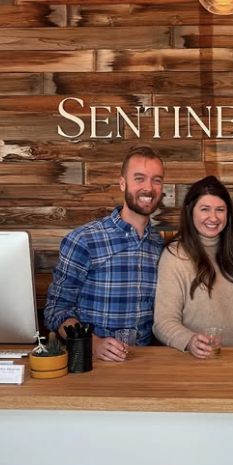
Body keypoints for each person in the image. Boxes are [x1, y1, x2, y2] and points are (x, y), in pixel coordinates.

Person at [44, 146, 165, 362]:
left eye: (156, 180)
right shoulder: (84, 239)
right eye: (139, 178)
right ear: (122, 183)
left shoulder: (159, 245)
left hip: (144, 363)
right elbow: (56, 309)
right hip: (93, 363)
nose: (148, 187)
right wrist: (92, 343)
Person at [153, 176, 233, 358]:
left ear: (228, 214)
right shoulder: (175, 256)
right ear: (190, 212)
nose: (213, 217)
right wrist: (190, 341)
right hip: (200, 361)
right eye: (205, 209)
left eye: (220, 209)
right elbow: (163, 322)